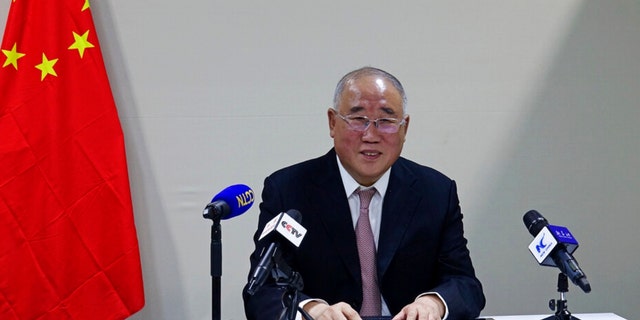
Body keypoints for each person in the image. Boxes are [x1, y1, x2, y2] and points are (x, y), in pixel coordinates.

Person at [243, 67, 485, 320]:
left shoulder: (435, 192)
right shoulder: (288, 190)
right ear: (332, 122)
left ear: (405, 128)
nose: (371, 135)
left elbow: (465, 284)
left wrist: (434, 304)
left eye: (386, 121)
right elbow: (262, 290)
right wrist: (311, 310)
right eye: (358, 120)